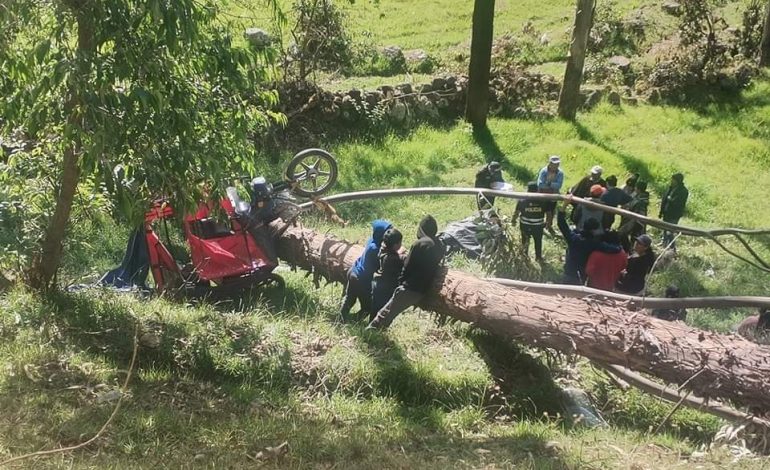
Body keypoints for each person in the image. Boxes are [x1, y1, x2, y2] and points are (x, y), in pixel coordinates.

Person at [367, 215, 444, 330]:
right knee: (390, 314)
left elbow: (407, 266)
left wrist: (400, 283)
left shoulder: (419, 244)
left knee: (383, 315)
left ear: (422, 229)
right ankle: (379, 336)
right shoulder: (440, 245)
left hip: (409, 287)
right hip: (423, 290)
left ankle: (369, 334)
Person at [556, 200, 621, 285]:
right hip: (581, 276)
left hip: (568, 273)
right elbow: (614, 249)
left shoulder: (573, 238)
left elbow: (561, 224)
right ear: (594, 230)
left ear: (583, 226)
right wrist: (618, 245)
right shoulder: (594, 244)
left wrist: (564, 205)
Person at [340, 219, 392, 322]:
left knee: (349, 299)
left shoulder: (371, 241)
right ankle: (353, 320)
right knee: (367, 308)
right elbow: (380, 267)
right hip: (361, 279)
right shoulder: (376, 249)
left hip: (353, 271)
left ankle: (341, 318)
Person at [371, 228, 405, 320]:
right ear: (395, 245)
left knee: (375, 309)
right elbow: (403, 260)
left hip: (377, 284)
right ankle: (374, 330)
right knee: (382, 311)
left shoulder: (383, 248)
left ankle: (371, 326)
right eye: (400, 243)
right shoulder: (392, 259)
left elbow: (395, 254)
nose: (401, 244)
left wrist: (398, 251)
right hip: (385, 288)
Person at [513, 182, 546, 261]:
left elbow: (517, 212)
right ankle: (538, 257)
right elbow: (549, 213)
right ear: (537, 190)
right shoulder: (543, 200)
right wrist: (548, 222)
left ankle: (524, 255)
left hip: (525, 225)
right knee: (538, 241)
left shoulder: (522, 200)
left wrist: (513, 220)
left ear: (528, 190)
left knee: (525, 240)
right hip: (538, 226)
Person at [659, 173, 689, 251]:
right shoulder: (670, 188)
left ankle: (672, 248)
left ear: (678, 181)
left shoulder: (683, 191)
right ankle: (664, 243)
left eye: (673, 180)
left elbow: (679, 203)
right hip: (666, 211)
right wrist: (661, 211)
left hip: (674, 214)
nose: (672, 181)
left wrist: (670, 199)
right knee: (664, 228)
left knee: (670, 231)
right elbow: (664, 199)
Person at [618, 180, 650, 252]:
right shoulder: (639, 196)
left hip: (637, 222)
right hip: (633, 220)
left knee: (634, 239)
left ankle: (631, 252)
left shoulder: (641, 200)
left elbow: (633, 207)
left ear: (638, 189)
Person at [537, 155, 565, 235]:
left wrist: (548, 183)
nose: (556, 166)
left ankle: (549, 226)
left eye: (557, 164)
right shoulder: (544, 171)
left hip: (553, 196)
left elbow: (559, 185)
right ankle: (541, 226)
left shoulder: (560, 173)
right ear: (550, 163)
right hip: (543, 195)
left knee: (551, 212)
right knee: (541, 211)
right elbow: (540, 184)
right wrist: (552, 185)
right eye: (554, 164)